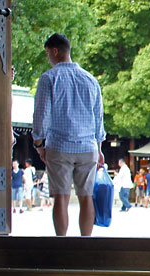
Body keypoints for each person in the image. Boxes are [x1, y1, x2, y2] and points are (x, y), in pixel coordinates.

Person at [32, 33, 105, 236]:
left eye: (48, 53)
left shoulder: (49, 78)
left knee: (61, 197)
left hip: (59, 145)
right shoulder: (91, 80)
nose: (48, 58)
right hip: (88, 146)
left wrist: (39, 143)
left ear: (55, 51)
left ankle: (62, 244)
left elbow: (41, 114)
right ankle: (86, 244)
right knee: (86, 196)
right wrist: (99, 149)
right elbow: (99, 118)